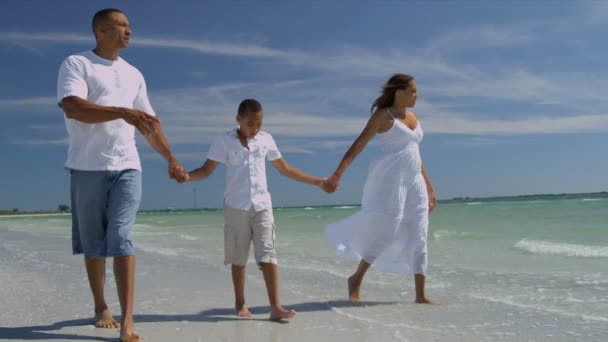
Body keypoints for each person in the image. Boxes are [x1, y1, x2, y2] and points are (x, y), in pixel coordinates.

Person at [56, 8, 187, 342]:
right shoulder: (77, 63)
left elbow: (149, 124)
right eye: (122, 25)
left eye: (130, 26)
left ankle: (127, 321)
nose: (129, 31)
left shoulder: (134, 74)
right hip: (87, 167)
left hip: (128, 165)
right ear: (101, 29)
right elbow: (72, 106)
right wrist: (122, 111)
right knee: (94, 244)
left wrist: (170, 158)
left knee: (122, 237)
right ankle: (101, 306)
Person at [180, 99, 330, 320]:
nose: (255, 129)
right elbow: (205, 170)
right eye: (250, 124)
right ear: (238, 119)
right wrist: (187, 177)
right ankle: (240, 303)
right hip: (235, 205)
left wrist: (318, 182)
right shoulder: (223, 141)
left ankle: (275, 307)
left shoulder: (266, 140)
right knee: (238, 259)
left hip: (262, 205)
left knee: (268, 254)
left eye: (259, 124)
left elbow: (285, 169)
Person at [322, 73, 438, 304]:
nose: (417, 95)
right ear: (399, 91)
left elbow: (415, 154)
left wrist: (429, 187)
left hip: (415, 182)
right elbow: (360, 143)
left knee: (420, 234)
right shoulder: (384, 116)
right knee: (388, 231)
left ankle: (420, 295)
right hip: (391, 180)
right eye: (413, 90)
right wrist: (337, 173)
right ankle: (356, 278)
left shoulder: (413, 117)